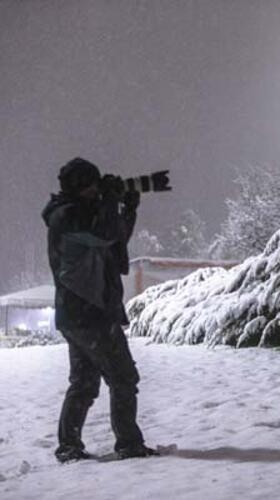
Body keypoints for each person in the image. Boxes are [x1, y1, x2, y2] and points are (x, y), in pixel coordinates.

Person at [41, 157, 157, 462]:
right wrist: (110, 200)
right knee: (123, 378)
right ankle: (129, 444)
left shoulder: (79, 214)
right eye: (93, 184)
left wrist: (127, 209)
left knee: (84, 383)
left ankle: (69, 447)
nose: (97, 189)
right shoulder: (65, 217)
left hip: (80, 313)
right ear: (80, 185)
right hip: (89, 312)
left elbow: (113, 241)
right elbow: (104, 235)